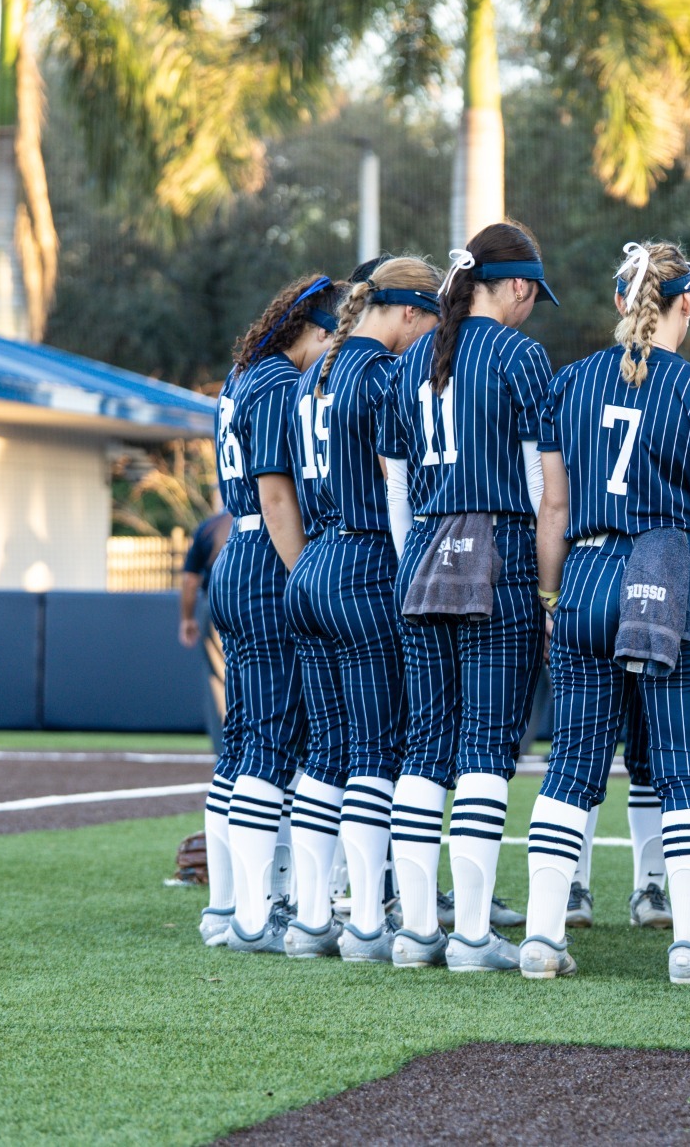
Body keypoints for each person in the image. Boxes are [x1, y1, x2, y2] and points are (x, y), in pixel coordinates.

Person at [521, 241, 690, 984]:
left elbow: (553, 507)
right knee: (686, 766)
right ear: (683, 305)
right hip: (674, 574)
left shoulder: (569, 383)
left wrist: (548, 598)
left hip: (589, 573)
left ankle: (540, 936)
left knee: (572, 763)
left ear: (619, 304)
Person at [377, 221, 557, 973]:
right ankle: (473, 936)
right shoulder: (521, 355)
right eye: (531, 295)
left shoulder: (415, 356)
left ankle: (417, 932)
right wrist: (551, 587)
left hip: (421, 551)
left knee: (425, 744)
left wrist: (411, 557)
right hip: (501, 551)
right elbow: (544, 486)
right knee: (485, 745)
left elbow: (395, 489)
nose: (531, 308)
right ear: (516, 286)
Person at [284, 257, 443, 959]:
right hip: (365, 559)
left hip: (313, 562)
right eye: (431, 321)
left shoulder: (315, 371)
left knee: (327, 750)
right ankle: (370, 925)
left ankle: (312, 917)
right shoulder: (378, 374)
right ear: (408, 312)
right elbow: (397, 477)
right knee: (377, 747)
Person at [210, 275, 341, 952]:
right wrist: (305, 577)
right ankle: (255, 917)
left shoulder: (241, 377)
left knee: (243, 741)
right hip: (265, 556)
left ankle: (227, 907)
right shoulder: (275, 383)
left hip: (237, 550)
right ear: (314, 333)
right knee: (272, 739)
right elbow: (277, 490)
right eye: (331, 339)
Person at [178, 509, 232, 755]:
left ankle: (228, 753)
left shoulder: (212, 526)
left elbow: (190, 580)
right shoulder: (265, 516)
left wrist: (187, 619)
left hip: (218, 603)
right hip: (265, 601)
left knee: (220, 681)